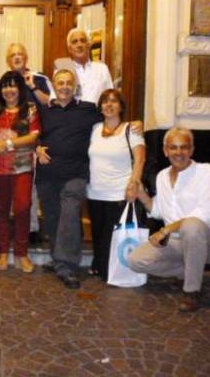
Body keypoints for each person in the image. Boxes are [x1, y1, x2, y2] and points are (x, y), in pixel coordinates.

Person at [128, 127, 210, 312]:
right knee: (135, 260)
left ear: (192, 149)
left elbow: (208, 212)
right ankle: (190, 271)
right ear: (165, 150)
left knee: (192, 226)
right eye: (173, 147)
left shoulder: (208, 172)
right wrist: (141, 194)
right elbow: (158, 210)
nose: (179, 152)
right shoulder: (162, 176)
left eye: (184, 147)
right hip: (176, 243)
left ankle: (192, 291)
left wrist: (166, 230)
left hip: (208, 242)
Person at [35, 69, 101, 289]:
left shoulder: (88, 110)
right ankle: (57, 259)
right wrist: (36, 148)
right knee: (53, 218)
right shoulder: (44, 111)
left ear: (75, 86)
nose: (64, 86)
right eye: (60, 83)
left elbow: (112, 117)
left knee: (70, 214)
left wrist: (133, 126)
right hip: (48, 174)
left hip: (75, 174)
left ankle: (68, 266)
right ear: (54, 85)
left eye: (68, 83)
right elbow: (31, 132)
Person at [0, 43, 52, 245]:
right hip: (6, 147)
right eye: (12, 55)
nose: (16, 57)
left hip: (36, 141)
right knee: (8, 193)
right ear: (8, 60)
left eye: (20, 54)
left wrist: (32, 87)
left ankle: (31, 229)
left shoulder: (39, 78)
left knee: (28, 191)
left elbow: (49, 104)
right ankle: (12, 229)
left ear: (26, 57)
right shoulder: (4, 82)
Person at [87, 89, 146, 281]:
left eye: (113, 101)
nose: (109, 105)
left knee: (113, 237)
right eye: (104, 101)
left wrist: (134, 183)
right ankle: (99, 266)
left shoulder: (131, 130)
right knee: (98, 235)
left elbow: (140, 159)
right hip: (95, 193)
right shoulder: (95, 129)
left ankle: (112, 272)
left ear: (121, 107)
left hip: (119, 194)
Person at [0, 71, 41, 272]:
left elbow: (34, 136)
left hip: (22, 168)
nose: (9, 90)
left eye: (13, 86)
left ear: (20, 88)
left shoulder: (30, 110)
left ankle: (21, 253)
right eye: (5, 86)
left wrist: (8, 142)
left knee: (22, 208)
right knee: (0, 210)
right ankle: (2, 252)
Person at [53, 28, 113, 104]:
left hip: (96, 114)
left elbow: (110, 97)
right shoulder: (62, 69)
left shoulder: (102, 69)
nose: (79, 45)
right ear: (69, 49)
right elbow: (55, 99)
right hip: (72, 114)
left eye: (83, 41)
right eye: (75, 42)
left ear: (88, 45)